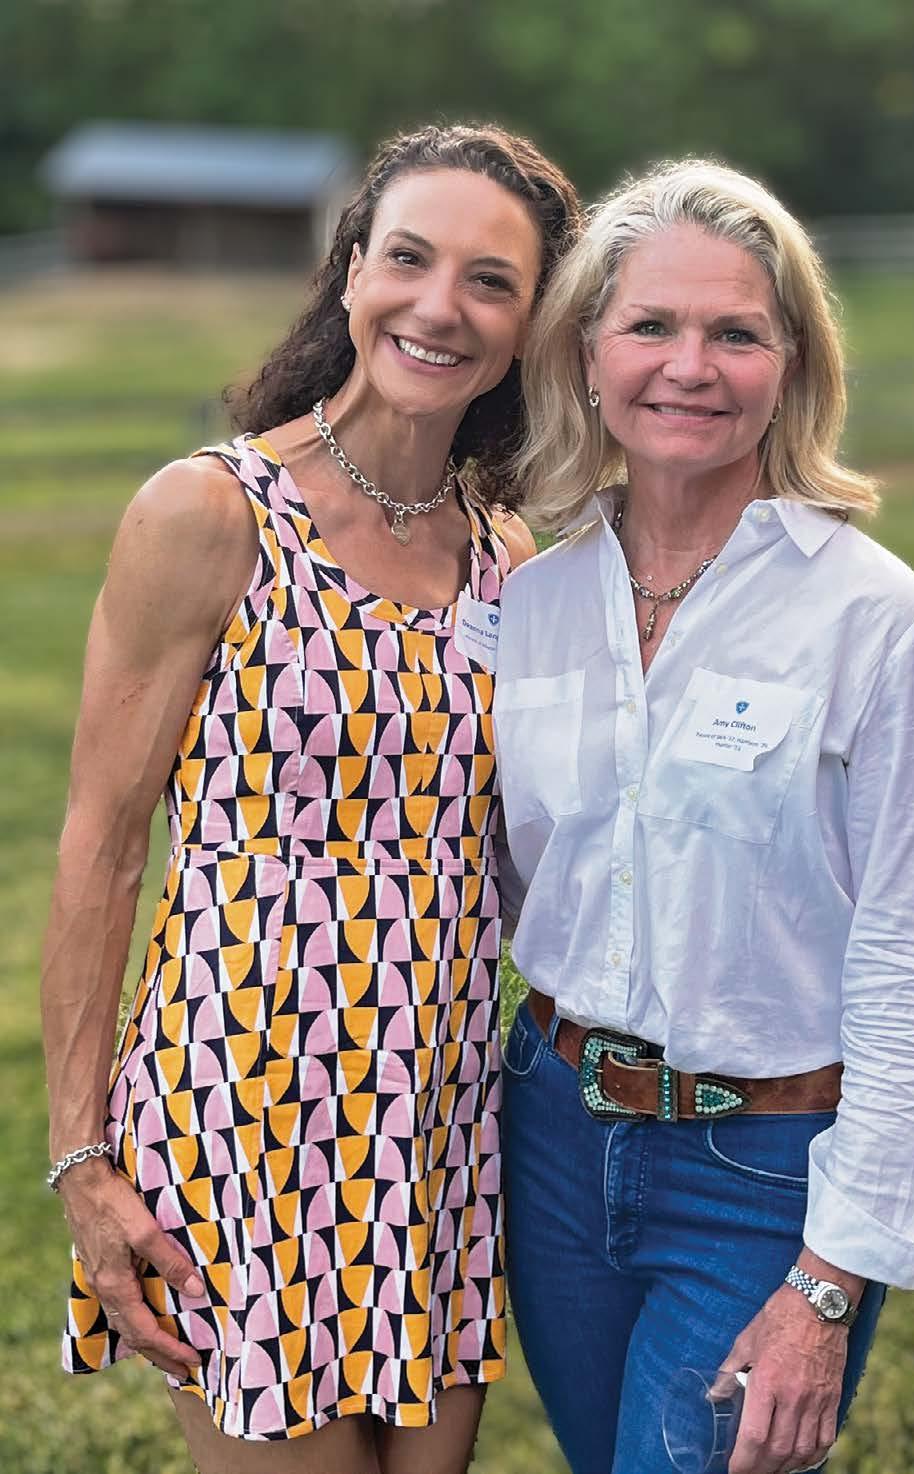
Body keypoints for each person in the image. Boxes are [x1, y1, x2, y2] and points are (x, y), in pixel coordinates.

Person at [40, 122, 579, 1474]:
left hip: (438, 1128)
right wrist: (80, 1162)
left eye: (491, 280)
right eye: (408, 258)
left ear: (529, 325)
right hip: (244, 1108)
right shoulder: (211, 513)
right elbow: (101, 848)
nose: (439, 305)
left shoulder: (507, 557)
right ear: (350, 274)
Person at [494, 159, 914, 1474]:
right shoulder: (531, 603)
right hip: (550, 1139)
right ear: (586, 354)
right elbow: (518, 881)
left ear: (794, 363)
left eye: (736, 333)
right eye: (650, 325)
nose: (689, 367)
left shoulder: (887, 627)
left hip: (763, 1169)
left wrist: (829, 1280)